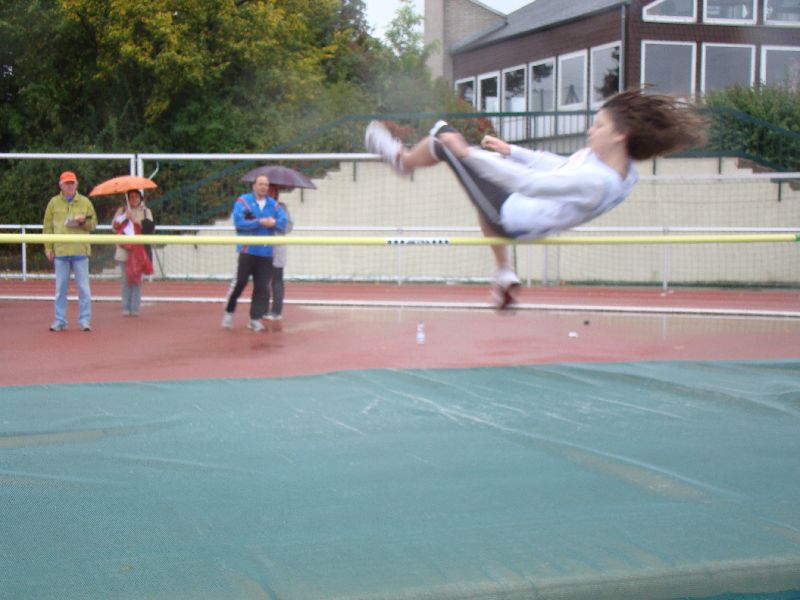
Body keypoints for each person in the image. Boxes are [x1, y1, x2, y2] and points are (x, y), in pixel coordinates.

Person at [365, 88, 706, 308]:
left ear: (621, 135)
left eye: (599, 125)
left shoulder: (597, 181)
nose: (590, 131)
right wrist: (511, 151)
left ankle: (402, 161)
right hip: (520, 211)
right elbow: (557, 167)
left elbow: (530, 184)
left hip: (512, 213)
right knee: (480, 202)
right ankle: (504, 272)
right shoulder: (621, 171)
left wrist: (467, 154)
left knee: (442, 137)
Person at [222, 175, 287, 331]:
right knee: (240, 283)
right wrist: (258, 222)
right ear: (254, 186)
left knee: (262, 287)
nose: (264, 187)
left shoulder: (273, 204)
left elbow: (283, 222)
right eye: (261, 184)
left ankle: (255, 318)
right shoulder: (243, 201)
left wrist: (274, 223)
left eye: (266, 184)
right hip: (248, 251)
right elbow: (239, 222)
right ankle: (229, 312)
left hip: (266, 253)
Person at [42, 170, 98, 331]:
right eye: (67, 183)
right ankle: (60, 320)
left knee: (84, 289)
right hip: (61, 250)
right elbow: (47, 227)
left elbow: (93, 224)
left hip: (80, 250)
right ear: (61, 185)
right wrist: (48, 247)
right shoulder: (53, 203)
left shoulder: (85, 202)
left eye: (72, 183)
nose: (69, 186)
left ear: (76, 184)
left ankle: (85, 320)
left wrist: (83, 222)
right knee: (60, 288)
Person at [111, 189, 155, 316]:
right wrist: (125, 216)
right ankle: (126, 307)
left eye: (136, 197)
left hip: (139, 251)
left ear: (140, 198)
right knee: (126, 280)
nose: (134, 199)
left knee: (137, 280)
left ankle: (135, 308)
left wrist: (136, 220)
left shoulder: (146, 211)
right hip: (124, 250)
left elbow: (150, 228)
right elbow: (114, 227)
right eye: (131, 197)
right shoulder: (122, 210)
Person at [263, 183, 294, 321]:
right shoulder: (258, 207)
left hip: (277, 249)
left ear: (276, 193)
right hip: (261, 249)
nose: (270, 193)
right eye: (267, 190)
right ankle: (262, 309)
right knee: (262, 281)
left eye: (272, 191)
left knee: (276, 279)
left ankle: (276, 311)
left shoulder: (282, 207)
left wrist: (275, 223)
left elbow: (288, 226)